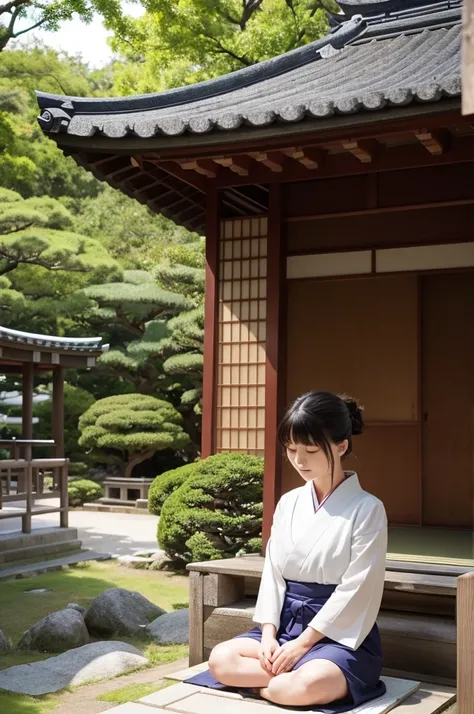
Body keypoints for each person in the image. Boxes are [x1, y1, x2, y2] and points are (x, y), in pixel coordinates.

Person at [185, 391, 388, 712]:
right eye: (292, 450)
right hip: (282, 626)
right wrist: (268, 635)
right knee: (220, 660)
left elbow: (358, 588)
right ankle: (283, 679)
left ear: (342, 446)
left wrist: (304, 644)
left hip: (338, 634)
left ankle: (289, 679)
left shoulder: (368, 509)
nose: (299, 460)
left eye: (310, 449)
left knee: (297, 687)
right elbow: (274, 574)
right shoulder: (290, 502)